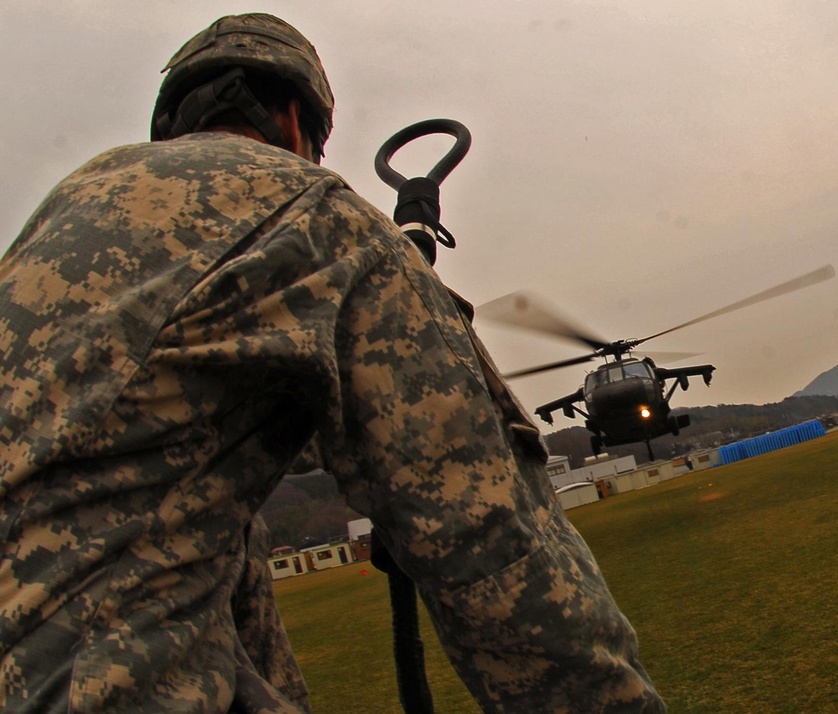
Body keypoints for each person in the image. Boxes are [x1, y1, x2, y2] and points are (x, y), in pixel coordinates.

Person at [0, 13, 667, 713]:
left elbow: (184, 509)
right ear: (294, 122)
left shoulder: (59, 215)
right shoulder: (321, 218)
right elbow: (490, 538)